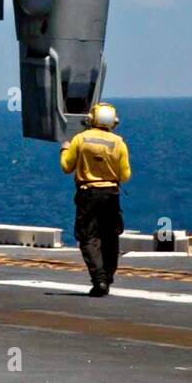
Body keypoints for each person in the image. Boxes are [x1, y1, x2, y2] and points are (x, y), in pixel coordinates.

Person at [60, 102, 132, 297]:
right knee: (110, 237)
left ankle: (99, 279)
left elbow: (66, 167)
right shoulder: (119, 143)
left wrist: (64, 149)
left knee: (88, 237)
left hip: (88, 194)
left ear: (91, 120)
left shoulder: (80, 139)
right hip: (111, 194)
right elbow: (125, 175)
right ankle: (107, 278)